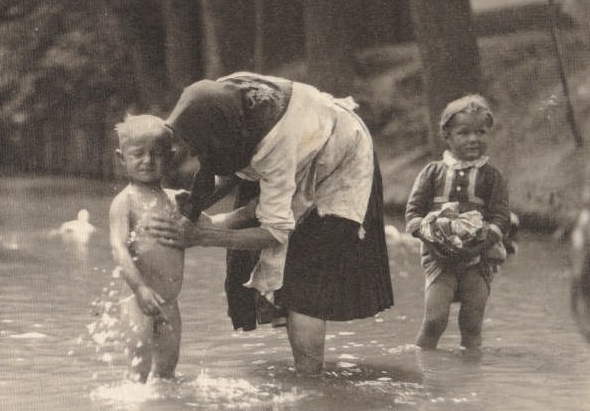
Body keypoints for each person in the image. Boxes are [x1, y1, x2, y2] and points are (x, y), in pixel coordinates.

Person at [146, 72, 394, 376]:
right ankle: (303, 376)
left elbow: (274, 233)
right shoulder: (223, 98)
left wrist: (202, 235)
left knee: (304, 280)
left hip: (340, 160)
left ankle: (308, 382)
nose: (196, 154)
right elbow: (224, 162)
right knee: (261, 242)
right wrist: (199, 208)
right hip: (300, 146)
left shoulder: (275, 141)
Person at [405, 94, 510, 350]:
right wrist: (431, 238)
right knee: (435, 320)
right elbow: (413, 214)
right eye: (463, 132)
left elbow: (501, 218)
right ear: (447, 136)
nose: (473, 139)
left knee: (472, 324)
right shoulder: (433, 172)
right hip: (439, 258)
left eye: (481, 132)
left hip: (480, 259)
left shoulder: (492, 176)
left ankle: (471, 379)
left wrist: (480, 245)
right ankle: (424, 370)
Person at [108, 115, 184, 382]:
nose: (148, 161)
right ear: (122, 158)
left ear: (171, 157)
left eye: (157, 154)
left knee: (167, 370)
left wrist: (245, 213)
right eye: (138, 154)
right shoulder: (125, 202)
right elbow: (118, 247)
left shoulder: (177, 200)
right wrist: (139, 288)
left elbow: (202, 229)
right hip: (136, 300)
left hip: (170, 303)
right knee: (138, 369)